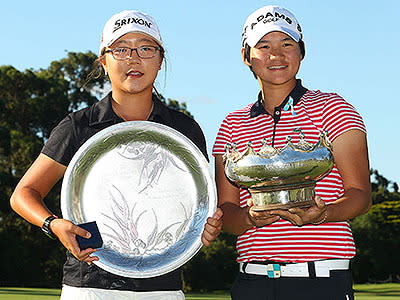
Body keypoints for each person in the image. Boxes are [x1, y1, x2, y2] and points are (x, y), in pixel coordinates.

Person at [10, 10, 222, 300]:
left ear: (160, 60)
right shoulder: (78, 126)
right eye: (121, 49)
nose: (134, 59)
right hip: (90, 285)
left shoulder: (184, 129)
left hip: (163, 287)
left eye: (146, 49)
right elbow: (24, 193)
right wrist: (54, 224)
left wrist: (209, 225)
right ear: (104, 62)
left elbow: (198, 204)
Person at [213, 5, 371, 300]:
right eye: (263, 46)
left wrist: (325, 214)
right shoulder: (231, 124)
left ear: (301, 51)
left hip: (320, 280)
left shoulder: (333, 108)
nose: (276, 55)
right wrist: (250, 218)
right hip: (253, 282)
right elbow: (227, 214)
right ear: (246, 56)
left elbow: (360, 194)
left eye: (287, 44)